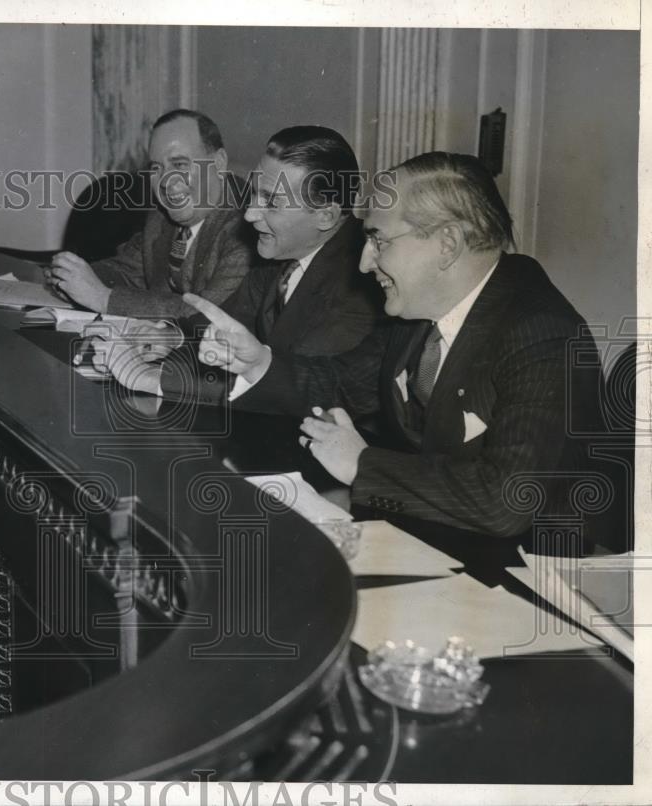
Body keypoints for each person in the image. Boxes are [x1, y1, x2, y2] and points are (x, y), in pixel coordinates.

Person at [185, 152, 601, 539]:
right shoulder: (420, 308)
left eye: (379, 241)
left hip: (539, 567)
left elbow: (508, 501)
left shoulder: (543, 336)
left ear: (447, 244)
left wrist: (362, 465)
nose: (365, 263)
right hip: (440, 538)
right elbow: (345, 384)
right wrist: (257, 362)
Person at [84, 126, 384, 404]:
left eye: (271, 202)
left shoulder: (364, 282)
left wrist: (150, 378)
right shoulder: (280, 251)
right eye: (254, 193)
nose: (250, 214)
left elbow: (296, 389)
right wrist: (170, 337)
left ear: (326, 216)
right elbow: (232, 323)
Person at [46, 108, 256, 318]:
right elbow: (127, 271)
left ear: (219, 163)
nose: (165, 181)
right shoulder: (161, 216)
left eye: (179, 164)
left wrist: (102, 298)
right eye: (156, 168)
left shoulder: (247, 231)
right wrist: (70, 277)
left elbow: (206, 315)